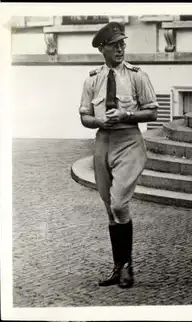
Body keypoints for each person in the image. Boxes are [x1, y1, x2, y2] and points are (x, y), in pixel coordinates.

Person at [78, 22, 159, 288]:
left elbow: (152, 113)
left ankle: (126, 267)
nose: (121, 49)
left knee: (119, 204)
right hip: (103, 142)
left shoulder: (138, 76)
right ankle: (119, 267)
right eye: (115, 45)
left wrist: (127, 115)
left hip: (129, 141)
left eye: (123, 44)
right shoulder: (92, 79)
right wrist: (98, 121)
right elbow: (84, 116)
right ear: (103, 49)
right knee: (109, 210)